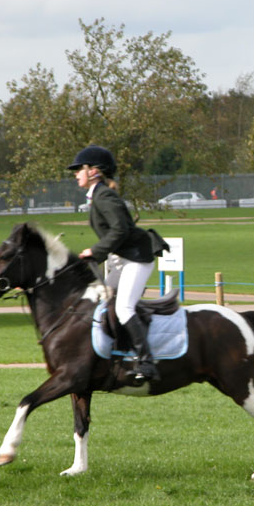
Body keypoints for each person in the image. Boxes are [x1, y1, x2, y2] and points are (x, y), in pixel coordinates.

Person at [68, 144, 167, 382]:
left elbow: (120, 229)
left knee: (124, 308)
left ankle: (147, 362)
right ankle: (122, 354)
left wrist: (95, 250)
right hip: (122, 260)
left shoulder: (104, 195)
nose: (75, 174)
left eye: (79, 169)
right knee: (106, 301)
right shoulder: (98, 196)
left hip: (137, 259)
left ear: (94, 171)